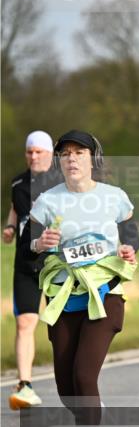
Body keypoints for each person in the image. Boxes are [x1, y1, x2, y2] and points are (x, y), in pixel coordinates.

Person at [28, 131, 139, 424]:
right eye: (65, 154)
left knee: (84, 376)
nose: (71, 159)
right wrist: (40, 244)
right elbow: (32, 245)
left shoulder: (114, 197)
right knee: (67, 391)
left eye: (79, 152)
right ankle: (95, 416)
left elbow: (131, 235)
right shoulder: (46, 202)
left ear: (93, 159)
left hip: (104, 295)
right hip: (64, 297)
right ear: (59, 162)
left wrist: (128, 249)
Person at [5, 131, 61, 409]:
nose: (33, 156)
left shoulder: (63, 183)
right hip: (26, 263)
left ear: (50, 153)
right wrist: (10, 226)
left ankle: (74, 382)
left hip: (57, 265)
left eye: (39, 151)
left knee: (61, 326)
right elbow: (16, 209)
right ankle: (25, 384)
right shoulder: (17, 181)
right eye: (30, 152)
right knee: (25, 322)